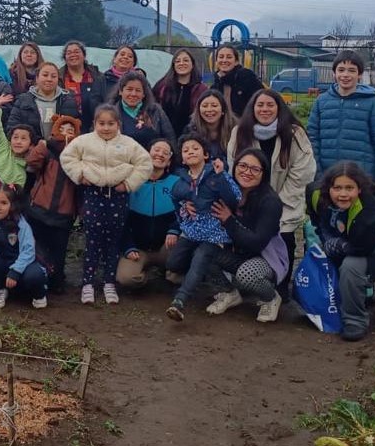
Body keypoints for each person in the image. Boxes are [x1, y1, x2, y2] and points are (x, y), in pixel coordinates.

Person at [60, 104, 153, 305]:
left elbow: (145, 163)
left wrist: (128, 184)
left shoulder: (128, 143)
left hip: (118, 198)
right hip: (94, 195)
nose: (106, 128)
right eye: (101, 123)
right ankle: (88, 283)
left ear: (118, 124)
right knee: (92, 240)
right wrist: (80, 175)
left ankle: (109, 282)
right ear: (94, 124)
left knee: (113, 241)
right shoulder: (84, 141)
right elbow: (67, 157)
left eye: (111, 123)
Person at [306, 161, 375, 342]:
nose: (343, 194)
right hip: (350, 238)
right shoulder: (314, 194)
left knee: (351, 266)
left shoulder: (371, 213)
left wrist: (340, 246)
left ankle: (355, 319)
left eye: (349, 188)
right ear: (328, 187)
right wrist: (328, 241)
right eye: (337, 188)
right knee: (314, 242)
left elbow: (364, 249)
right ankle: (328, 298)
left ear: (359, 189)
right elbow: (317, 221)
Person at [229, 88, 316, 298]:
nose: (265, 109)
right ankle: (248, 283)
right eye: (260, 105)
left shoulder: (294, 134)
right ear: (252, 108)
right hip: (250, 198)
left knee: (283, 236)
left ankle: (281, 286)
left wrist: (276, 203)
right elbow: (235, 166)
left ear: (279, 108)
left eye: (270, 105)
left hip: (285, 198)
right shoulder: (240, 132)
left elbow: (302, 172)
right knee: (249, 237)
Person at [200, 148, 290, 324]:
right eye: (242, 166)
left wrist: (229, 220)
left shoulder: (269, 201)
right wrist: (189, 207)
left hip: (266, 258)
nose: (247, 172)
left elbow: (257, 243)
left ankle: (270, 298)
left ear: (264, 174)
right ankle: (229, 293)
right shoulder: (228, 192)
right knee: (203, 251)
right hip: (238, 253)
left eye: (255, 169)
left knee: (247, 274)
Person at [164, 136, 241, 320]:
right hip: (191, 231)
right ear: (182, 158)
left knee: (201, 256)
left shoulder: (216, 173)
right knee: (172, 263)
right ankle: (197, 278)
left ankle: (180, 301)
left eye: (195, 148)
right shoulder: (180, 181)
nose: (190, 151)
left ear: (205, 154)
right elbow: (175, 200)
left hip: (215, 232)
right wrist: (184, 208)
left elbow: (235, 199)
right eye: (186, 150)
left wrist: (221, 177)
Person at [307, 50, 375, 188]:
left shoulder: (372, 103)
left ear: (359, 75)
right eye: (341, 70)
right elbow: (312, 141)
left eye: (351, 70)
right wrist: (317, 174)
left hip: (362, 179)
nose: (345, 75)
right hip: (328, 178)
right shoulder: (321, 102)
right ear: (334, 73)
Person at [24, 115, 81, 294]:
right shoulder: (47, 150)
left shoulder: (78, 156)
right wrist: (43, 145)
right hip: (39, 208)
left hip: (64, 212)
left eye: (71, 130)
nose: (66, 133)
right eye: (62, 129)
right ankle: (36, 277)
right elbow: (31, 161)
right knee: (37, 246)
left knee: (59, 250)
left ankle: (56, 280)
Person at [116, 139, 180, 290]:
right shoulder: (131, 182)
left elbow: (185, 214)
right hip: (139, 249)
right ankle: (146, 272)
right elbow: (121, 221)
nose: (160, 154)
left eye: (166, 153)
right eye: (156, 150)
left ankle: (169, 271)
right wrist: (128, 247)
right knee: (126, 279)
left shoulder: (177, 183)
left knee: (180, 278)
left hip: (166, 247)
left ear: (169, 161)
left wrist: (175, 230)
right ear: (146, 154)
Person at [0, 188, 49, 309]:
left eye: (3, 203)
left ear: (12, 205)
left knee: (35, 275)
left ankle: (38, 294)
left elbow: (29, 250)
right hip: (3, 267)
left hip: (22, 267)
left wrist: (16, 271)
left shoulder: (21, 224)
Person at [7, 61, 79, 140]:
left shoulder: (68, 100)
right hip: (31, 149)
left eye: (53, 76)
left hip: (60, 150)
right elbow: (12, 128)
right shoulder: (23, 100)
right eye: (45, 75)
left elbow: (75, 128)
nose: (49, 79)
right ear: (37, 78)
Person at [108, 71, 175, 150]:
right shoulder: (110, 113)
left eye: (138, 90)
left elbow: (170, 139)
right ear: (120, 91)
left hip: (153, 160)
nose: (133, 94)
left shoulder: (155, 110)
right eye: (129, 89)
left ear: (144, 94)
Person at [153, 49, 208, 139]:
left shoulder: (201, 89)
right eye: (177, 61)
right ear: (173, 65)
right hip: (163, 138)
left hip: (192, 138)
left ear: (192, 64)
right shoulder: (162, 86)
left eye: (186, 60)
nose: (181, 63)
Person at [59, 40, 109, 132]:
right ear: (65, 58)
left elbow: (105, 101)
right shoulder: (58, 78)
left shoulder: (98, 77)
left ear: (84, 55)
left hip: (95, 127)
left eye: (77, 52)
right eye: (69, 53)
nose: (73, 55)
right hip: (67, 128)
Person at [0, 99, 34, 190]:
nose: (18, 141)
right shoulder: (1, 145)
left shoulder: (21, 175)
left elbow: (12, 196)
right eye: (15, 137)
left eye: (23, 138)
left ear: (31, 145)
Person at [209, 44, 262, 118]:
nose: (224, 60)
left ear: (236, 61)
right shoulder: (215, 86)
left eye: (229, 57)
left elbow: (260, 101)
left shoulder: (247, 78)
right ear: (217, 61)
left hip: (245, 125)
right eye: (221, 57)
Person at [183, 90, 235, 164]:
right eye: (205, 106)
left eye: (214, 106)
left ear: (223, 109)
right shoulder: (190, 131)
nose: (209, 109)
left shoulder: (235, 130)